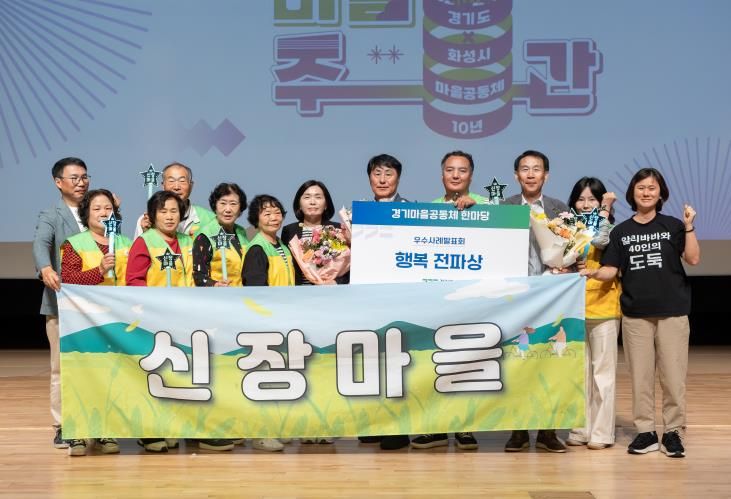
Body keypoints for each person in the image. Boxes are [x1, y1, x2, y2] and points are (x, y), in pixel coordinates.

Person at [581, 168, 700, 458]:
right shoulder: (621, 231)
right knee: (640, 378)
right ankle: (645, 432)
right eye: (641, 188)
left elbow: (693, 258)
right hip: (635, 314)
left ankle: (673, 432)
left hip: (672, 312)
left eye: (652, 188)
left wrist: (689, 227)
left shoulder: (673, 225)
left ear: (661, 193)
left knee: (673, 377)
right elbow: (611, 270)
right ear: (632, 193)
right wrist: (592, 272)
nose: (646, 193)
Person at [410, 151, 488, 451]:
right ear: (442, 174)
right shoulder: (428, 209)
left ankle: (465, 428)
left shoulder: (485, 206)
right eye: (450, 170)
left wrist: (480, 212)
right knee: (433, 364)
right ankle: (436, 428)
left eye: (462, 170)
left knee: (467, 363)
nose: (456, 175)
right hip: (435, 301)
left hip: (472, 302)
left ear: (471, 175)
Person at [503, 149, 570, 453]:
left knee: (548, 364)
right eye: (525, 169)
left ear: (546, 175)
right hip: (515, 298)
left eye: (537, 169)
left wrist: (566, 265)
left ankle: (547, 431)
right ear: (516, 175)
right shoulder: (505, 208)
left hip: (550, 298)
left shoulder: (559, 208)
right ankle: (517, 431)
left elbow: (571, 247)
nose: (530, 174)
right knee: (516, 364)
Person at [59, 189, 132, 455]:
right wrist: (99, 270)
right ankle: (77, 433)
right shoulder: (74, 244)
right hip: (83, 322)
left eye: (108, 208)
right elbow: (68, 280)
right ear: (86, 213)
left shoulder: (127, 243)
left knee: (111, 377)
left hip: (117, 323)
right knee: (82, 376)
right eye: (97, 208)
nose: (103, 213)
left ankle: (104, 430)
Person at [33, 157, 91, 451]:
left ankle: (97, 422)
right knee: (60, 368)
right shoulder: (51, 214)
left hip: (97, 305)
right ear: (58, 182)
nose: (81, 183)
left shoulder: (98, 209)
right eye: (74, 178)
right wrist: (45, 267)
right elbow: (41, 243)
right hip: (61, 303)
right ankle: (62, 425)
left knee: (97, 364)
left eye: (85, 177)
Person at [563, 177, 621, 451]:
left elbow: (600, 239)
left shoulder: (611, 228)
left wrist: (605, 210)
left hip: (603, 307)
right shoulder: (567, 227)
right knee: (578, 373)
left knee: (603, 375)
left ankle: (601, 432)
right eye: (581, 199)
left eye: (592, 200)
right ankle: (580, 428)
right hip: (573, 308)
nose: (586, 205)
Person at [240, 194, 293, 451]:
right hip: (265, 326)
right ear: (256, 219)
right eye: (266, 213)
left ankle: (276, 428)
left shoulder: (282, 245)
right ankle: (260, 433)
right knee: (264, 379)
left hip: (283, 322)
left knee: (278, 378)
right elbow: (256, 292)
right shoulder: (257, 248)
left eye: (277, 212)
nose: (273, 217)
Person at [282, 179, 348, 287]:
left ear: (326, 204)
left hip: (330, 291)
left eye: (318, 197)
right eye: (307, 197)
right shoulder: (289, 231)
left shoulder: (338, 229)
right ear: (299, 204)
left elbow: (350, 266)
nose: (312, 202)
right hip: (298, 293)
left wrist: (336, 282)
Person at [134, 162, 215, 238]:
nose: (176, 187)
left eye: (182, 181)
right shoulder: (146, 221)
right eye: (171, 181)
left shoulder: (210, 219)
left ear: (191, 186)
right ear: (163, 186)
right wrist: (146, 233)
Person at [193, 183, 249, 287]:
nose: (228, 209)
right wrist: (215, 284)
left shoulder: (241, 232)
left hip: (241, 294)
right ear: (215, 206)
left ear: (240, 209)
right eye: (223, 203)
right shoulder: (205, 235)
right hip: (218, 295)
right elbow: (199, 275)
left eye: (233, 204)